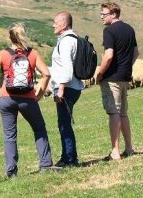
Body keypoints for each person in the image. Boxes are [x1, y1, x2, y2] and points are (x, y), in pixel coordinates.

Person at [0, 22, 58, 177]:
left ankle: (11, 172)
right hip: (28, 99)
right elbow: (47, 74)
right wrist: (40, 94)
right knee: (39, 129)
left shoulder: (4, 54)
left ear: (10, 37)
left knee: (10, 135)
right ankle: (45, 164)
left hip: (6, 98)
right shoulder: (33, 54)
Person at [95, 2, 139, 161]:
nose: (101, 16)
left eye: (104, 14)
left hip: (111, 78)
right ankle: (129, 148)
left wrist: (100, 73)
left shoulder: (109, 31)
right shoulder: (129, 29)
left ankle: (115, 151)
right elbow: (136, 52)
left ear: (114, 14)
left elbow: (108, 56)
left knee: (114, 112)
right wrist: (127, 67)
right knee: (123, 114)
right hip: (124, 77)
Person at [49, 11, 84, 167]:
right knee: (64, 123)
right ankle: (67, 156)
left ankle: (69, 159)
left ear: (63, 24)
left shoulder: (65, 42)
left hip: (67, 88)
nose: (53, 25)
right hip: (73, 87)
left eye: (55, 22)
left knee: (64, 124)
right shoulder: (73, 39)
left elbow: (67, 69)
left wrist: (60, 90)